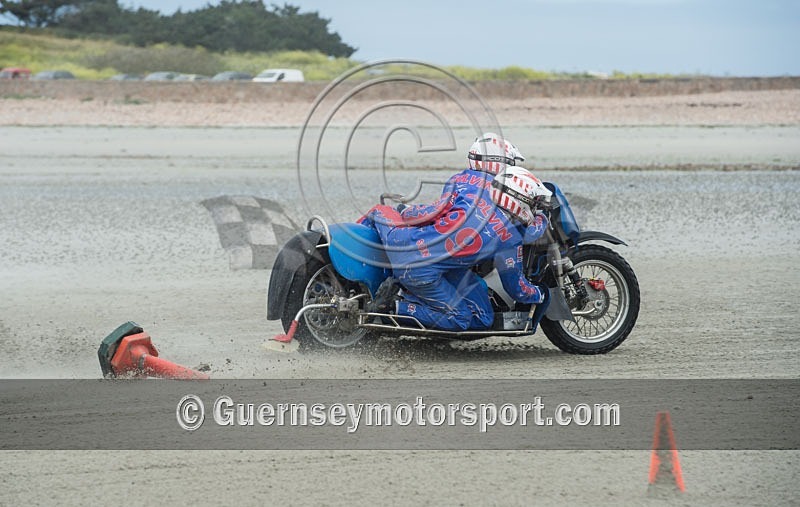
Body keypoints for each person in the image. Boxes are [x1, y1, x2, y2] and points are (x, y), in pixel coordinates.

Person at [364, 166, 553, 332]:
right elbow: (517, 290)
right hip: (419, 272)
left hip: (402, 240)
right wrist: (541, 294)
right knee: (464, 318)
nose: (534, 207)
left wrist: (405, 211)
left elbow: (431, 211)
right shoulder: (508, 238)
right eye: (533, 202)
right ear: (517, 198)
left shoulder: (472, 196)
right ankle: (394, 307)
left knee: (378, 211)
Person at [397, 132, 526, 227]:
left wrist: (405, 210)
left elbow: (435, 212)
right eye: (511, 162)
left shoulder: (458, 180)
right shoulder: (507, 187)